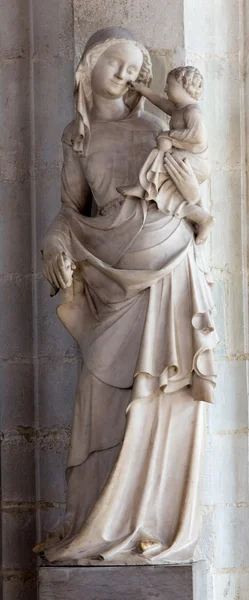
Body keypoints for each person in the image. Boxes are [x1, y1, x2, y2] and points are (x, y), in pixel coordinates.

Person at [34, 27, 218, 565]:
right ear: (87, 68)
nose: (126, 75)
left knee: (163, 397)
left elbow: (192, 183)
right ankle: (98, 521)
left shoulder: (156, 129)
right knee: (101, 399)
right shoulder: (77, 136)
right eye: (115, 63)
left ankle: (151, 524)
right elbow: (71, 212)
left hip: (168, 273)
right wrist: (52, 239)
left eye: (134, 68)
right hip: (110, 284)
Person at [118, 66, 214, 244]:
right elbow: (160, 101)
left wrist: (169, 136)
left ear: (184, 86)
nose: (165, 89)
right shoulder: (179, 109)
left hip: (196, 162)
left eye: (169, 84)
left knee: (159, 152)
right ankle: (201, 217)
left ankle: (143, 186)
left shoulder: (192, 112)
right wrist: (142, 89)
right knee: (168, 193)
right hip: (184, 158)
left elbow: (197, 137)